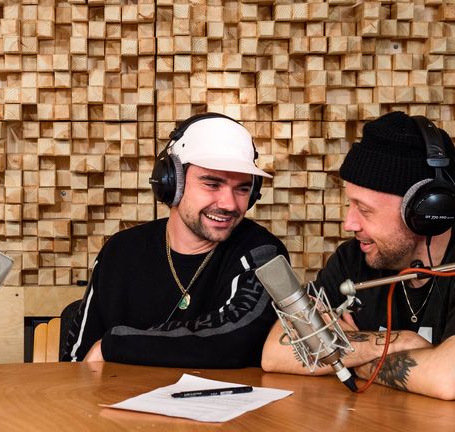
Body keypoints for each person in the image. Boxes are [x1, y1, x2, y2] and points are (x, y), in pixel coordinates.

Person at [261, 112, 455, 403]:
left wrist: (348, 359)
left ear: (423, 213)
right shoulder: (354, 258)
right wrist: (400, 342)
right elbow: (276, 352)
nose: (349, 223)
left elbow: (448, 380)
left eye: (364, 210)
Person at [62, 113, 288, 367]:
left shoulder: (262, 252)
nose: (229, 204)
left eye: (243, 188)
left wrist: (113, 345)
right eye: (212, 184)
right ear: (172, 183)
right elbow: (76, 359)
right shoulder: (120, 251)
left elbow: (234, 339)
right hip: (117, 404)